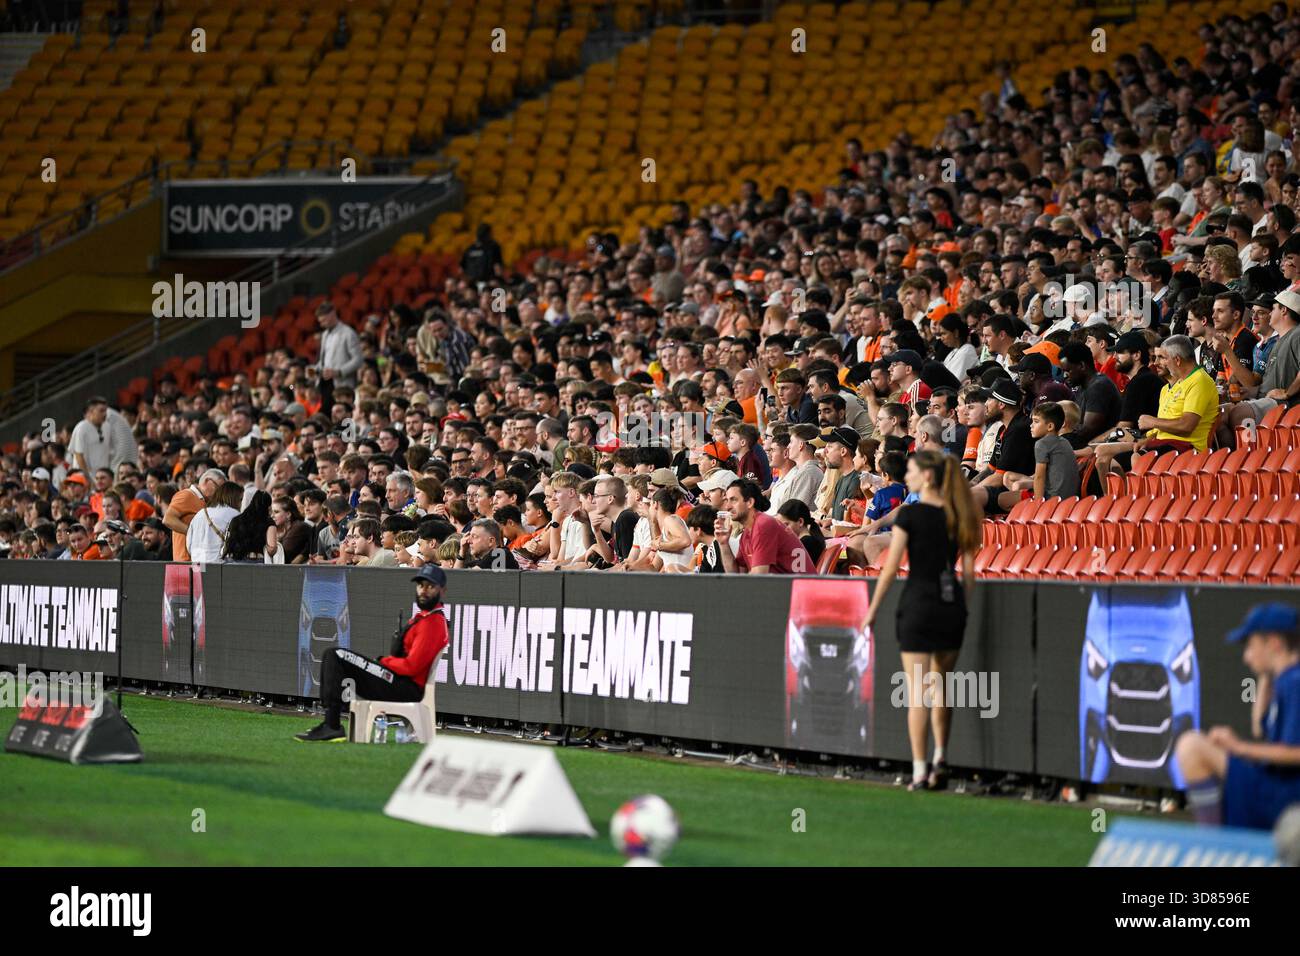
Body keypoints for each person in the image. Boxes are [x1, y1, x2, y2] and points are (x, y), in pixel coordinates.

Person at [864, 450, 981, 791]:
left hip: (918, 603)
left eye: (912, 471)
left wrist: (871, 612)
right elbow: (970, 574)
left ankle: (919, 770)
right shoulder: (961, 512)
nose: (908, 476)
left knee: (918, 694)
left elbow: (890, 568)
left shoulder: (911, 514)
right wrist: (962, 607)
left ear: (927, 476)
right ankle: (941, 757)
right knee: (942, 687)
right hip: (951, 604)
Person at [1174, 603, 1300, 831]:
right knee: (1195, 746)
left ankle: (1213, 846)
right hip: (1277, 788)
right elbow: (1259, 728)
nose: (1247, 656)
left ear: (1274, 643)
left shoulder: (1295, 682)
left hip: (1286, 796)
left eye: (1250, 645)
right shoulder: (1284, 681)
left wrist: (1239, 747)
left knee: (1191, 746)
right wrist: (1264, 676)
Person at [297, 565, 451, 742]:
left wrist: (384, 662)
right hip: (398, 680)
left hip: (405, 688)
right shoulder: (425, 617)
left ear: (442, 591)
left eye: (430, 586)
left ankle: (331, 725)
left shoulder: (432, 623)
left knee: (335, 655)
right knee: (336, 656)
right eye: (420, 585)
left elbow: (412, 666)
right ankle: (331, 723)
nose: (423, 591)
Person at [713, 479, 811, 574]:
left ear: (750, 503)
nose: (727, 507)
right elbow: (736, 575)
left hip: (802, 589)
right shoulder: (747, 533)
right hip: (787, 588)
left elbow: (758, 577)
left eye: (733, 500)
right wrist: (723, 543)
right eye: (727, 500)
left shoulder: (763, 525)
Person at [186, 480, 244, 565]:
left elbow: (189, 544)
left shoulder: (200, 514)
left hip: (197, 566)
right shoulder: (235, 515)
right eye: (240, 499)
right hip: (222, 568)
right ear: (234, 498)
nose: (241, 503)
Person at [221, 490, 282, 563]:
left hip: (231, 560)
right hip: (254, 562)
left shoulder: (236, 520)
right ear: (268, 506)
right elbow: (272, 549)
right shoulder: (268, 522)